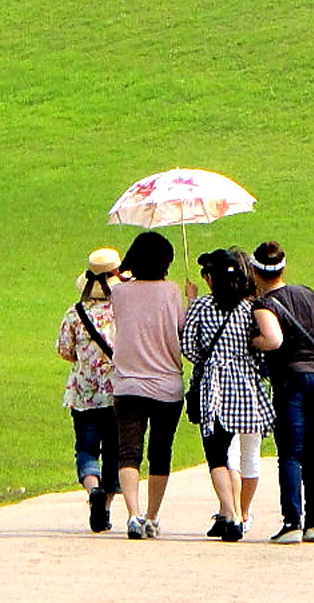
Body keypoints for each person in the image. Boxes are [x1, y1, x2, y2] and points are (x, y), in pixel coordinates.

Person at [250, 241, 314, 544]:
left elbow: (273, 340)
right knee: (313, 451)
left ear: (255, 271)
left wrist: (253, 342)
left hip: (292, 380)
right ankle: (313, 522)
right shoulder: (307, 293)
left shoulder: (265, 304)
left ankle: (291, 522)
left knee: (290, 453)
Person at [181, 248, 274, 542]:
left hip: (215, 385)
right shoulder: (249, 309)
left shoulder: (202, 306)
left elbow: (189, 346)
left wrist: (209, 360)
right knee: (245, 453)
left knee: (219, 456)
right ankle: (239, 513)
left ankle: (231, 513)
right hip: (245, 384)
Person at [110, 230, 191, 539]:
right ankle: (152, 515)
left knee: (128, 452)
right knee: (160, 452)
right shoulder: (171, 291)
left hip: (128, 384)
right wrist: (191, 299)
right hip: (166, 384)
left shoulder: (119, 292)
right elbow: (182, 329)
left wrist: (123, 271)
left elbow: (119, 283)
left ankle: (133, 514)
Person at [55, 246, 122, 532]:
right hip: (118, 391)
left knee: (86, 448)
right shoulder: (122, 311)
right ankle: (105, 507)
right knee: (115, 451)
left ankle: (92, 487)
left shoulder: (75, 313)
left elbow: (64, 351)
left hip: (83, 392)